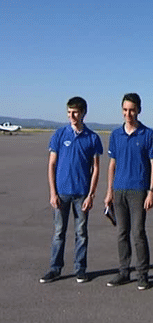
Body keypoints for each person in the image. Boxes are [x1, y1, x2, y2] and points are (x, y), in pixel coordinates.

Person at [40, 97, 103, 284]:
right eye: (69, 112)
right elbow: (51, 164)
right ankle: (55, 268)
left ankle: (80, 268)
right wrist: (53, 192)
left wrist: (91, 194)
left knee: (81, 232)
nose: (71, 116)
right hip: (61, 193)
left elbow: (96, 168)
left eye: (75, 112)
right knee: (59, 232)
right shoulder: (59, 135)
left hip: (81, 193)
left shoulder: (92, 138)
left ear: (83, 112)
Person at [104, 93, 153, 290]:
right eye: (125, 110)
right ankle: (124, 272)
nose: (128, 114)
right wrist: (109, 191)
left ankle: (143, 274)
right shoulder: (115, 135)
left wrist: (152, 191)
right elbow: (112, 165)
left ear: (139, 110)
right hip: (119, 190)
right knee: (121, 232)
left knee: (138, 233)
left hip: (138, 191)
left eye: (132, 110)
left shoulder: (148, 135)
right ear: (122, 111)